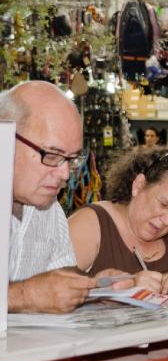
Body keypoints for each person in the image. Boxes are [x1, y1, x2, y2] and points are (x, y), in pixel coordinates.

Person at [3, 81, 124, 314]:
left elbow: (61, 273)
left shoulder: (49, 209)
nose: (65, 174)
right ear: (6, 137)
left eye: (71, 159)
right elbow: (33, 293)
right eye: (51, 155)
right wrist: (25, 295)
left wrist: (95, 287)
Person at [68, 148, 168, 293]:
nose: (167, 221)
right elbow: (51, 287)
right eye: (164, 204)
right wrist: (125, 284)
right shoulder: (92, 223)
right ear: (139, 185)